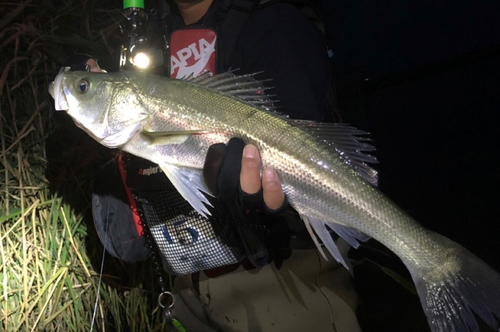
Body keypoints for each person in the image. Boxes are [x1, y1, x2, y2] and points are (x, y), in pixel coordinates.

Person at [63, 0, 362, 330]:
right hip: (189, 281)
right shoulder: (156, 29)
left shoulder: (271, 22)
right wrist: (82, 85)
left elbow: (309, 142)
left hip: (284, 280)